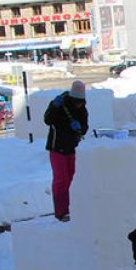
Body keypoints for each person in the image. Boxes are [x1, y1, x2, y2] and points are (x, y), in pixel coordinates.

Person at [43, 81, 89, 221]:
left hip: (73, 148)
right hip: (57, 147)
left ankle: (73, 207)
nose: (79, 105)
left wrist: (79, 127)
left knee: (73, 179)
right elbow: (47, 120)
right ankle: (61, 211)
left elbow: (85, 128)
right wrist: (54, 108)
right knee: (61, 180)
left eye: (81, 103)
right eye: (77, 102)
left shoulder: (82, 110)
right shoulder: (59, 105)